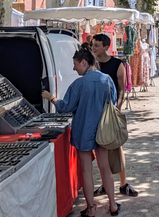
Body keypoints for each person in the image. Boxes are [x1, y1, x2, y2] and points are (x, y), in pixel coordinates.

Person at [42, 47, 120, 216]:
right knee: (104, 167)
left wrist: (51, 98)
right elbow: (113, 102)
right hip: (104, 130)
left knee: (86, 169)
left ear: (84, 62)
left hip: (83, 130)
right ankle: (113, 204)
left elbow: (66, 107)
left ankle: (91, 209)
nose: (74, 68)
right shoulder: (107, 80)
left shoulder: (79, 84)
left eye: (75, 64)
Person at [90, 34, 140, 198]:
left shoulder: (118, 64)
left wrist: (117, 108)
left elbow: (121, 89)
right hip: (96, 110)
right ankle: (106, 184)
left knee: (116, 147)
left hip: (111, 111)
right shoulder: (92, 65)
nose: (94, 48)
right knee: (100, 149)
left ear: (106, 47)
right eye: (93, 45)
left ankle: (123, 183)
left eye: (97, 45)